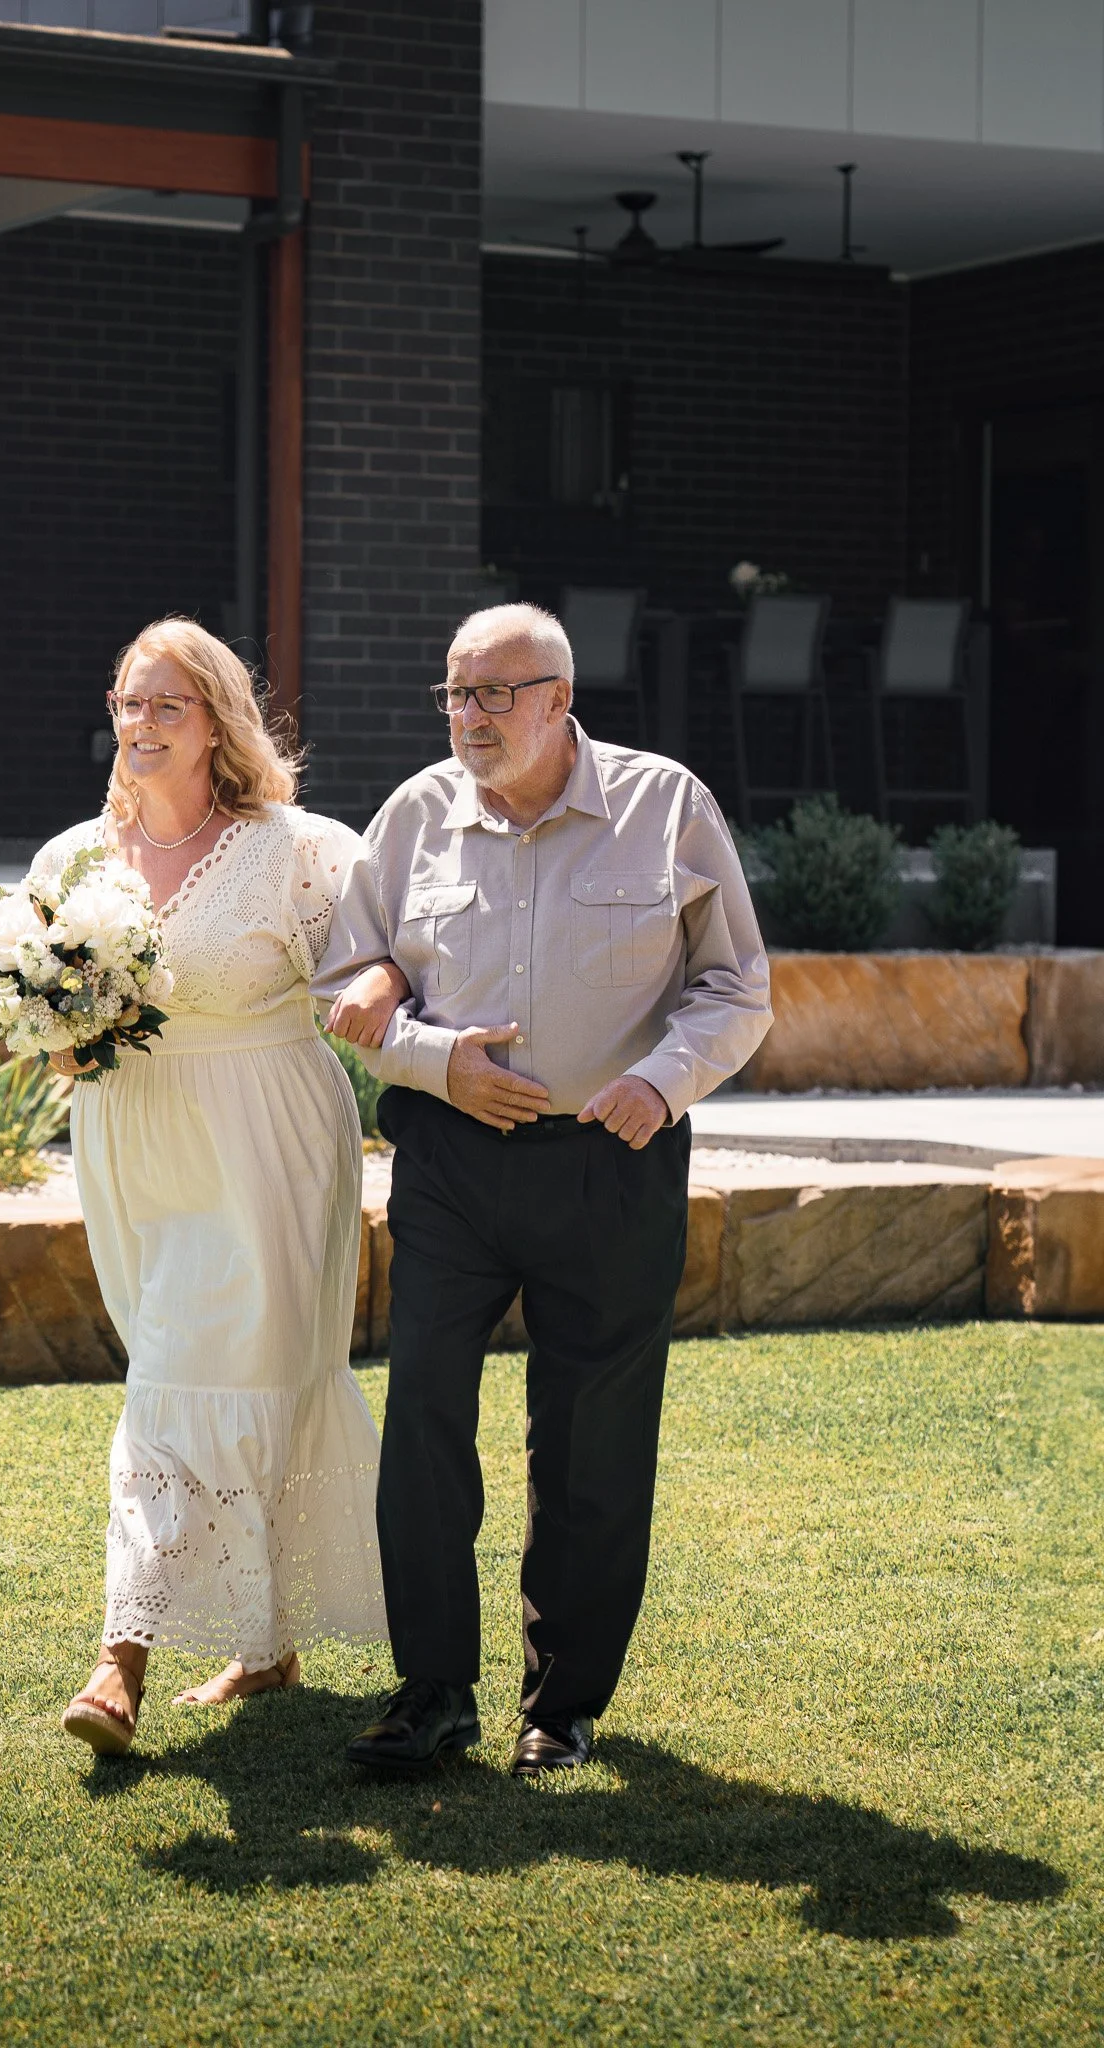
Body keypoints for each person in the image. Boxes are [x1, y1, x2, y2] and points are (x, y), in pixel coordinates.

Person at [314, 602, 772, 1777]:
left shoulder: (668, 806)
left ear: (560, 698)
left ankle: (562, 1705)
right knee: (421, 1413)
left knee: (592, 1439)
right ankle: (431, 1692)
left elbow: (736, 988)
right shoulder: (415, 814)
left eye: (495, 693)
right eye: (456, 695)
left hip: (610, 1159)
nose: (470, 717)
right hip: (453, 1160)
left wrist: (660, 1084)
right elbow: (355, 971)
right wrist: (432, 1056)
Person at [40, 618, 386, 1755]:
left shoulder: (299, 850)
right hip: (138, 1145)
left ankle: (117, 1662)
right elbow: (45, 1025)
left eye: (167, 706)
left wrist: (394, 999)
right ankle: (266, 1640)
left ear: (218, 723)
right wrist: (61, 1039)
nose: (140, 725)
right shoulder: (74, 861)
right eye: (128, 701)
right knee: (191, 1368)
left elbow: (385, 961)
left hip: (270, 1139)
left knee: (198, 1378)